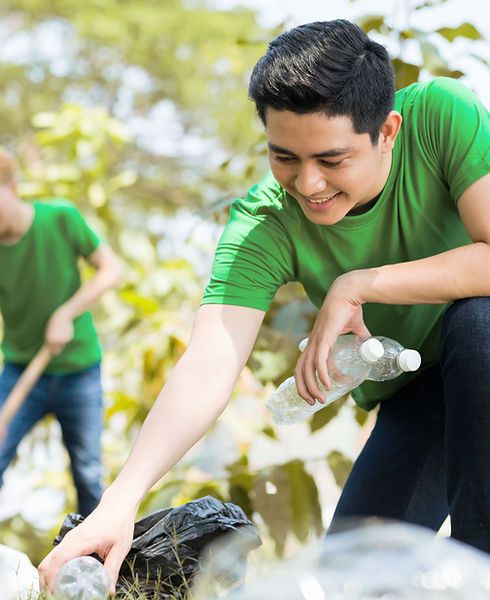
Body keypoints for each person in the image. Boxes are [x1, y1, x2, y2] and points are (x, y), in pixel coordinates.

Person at [39, 19, 489, 593]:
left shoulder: (441, 115)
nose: (308, 183)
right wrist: (118, 501)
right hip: (418, 394)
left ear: (388, 132)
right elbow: (209, 362)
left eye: (332, 160)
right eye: (284, 158)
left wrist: (357, 284)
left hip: (482, 349)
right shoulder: (264, 223)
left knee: (478, 321)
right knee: (348, 584)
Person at [0, 147, 122, 517]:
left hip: (79, 371)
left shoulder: (60, 219)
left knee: (87, 474)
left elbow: (112, 270)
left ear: (12, 186)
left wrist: (66, 313)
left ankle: (97, 569)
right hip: (21, 370)